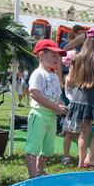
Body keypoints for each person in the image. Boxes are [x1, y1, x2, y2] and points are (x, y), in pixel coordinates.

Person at [66, 27, 94, 168]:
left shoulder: (78, 56)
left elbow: (70, 79)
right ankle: (90, 158)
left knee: (84, 131)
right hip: (93, 99)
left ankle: (81, 162)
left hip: (78, 98)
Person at [25, 39, 68, 178]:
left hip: (51, 116)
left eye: (57, 56)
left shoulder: (54, 75)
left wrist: (61, 105)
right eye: (53, 55)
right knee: (33, 148)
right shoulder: (38, 74)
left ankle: (40, 170)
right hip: (39, 115)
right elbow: (35, 94)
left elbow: (57, 96)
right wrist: (56, 106)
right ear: (41, 55)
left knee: (47, 148)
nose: (57, 59)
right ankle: (32, 176)